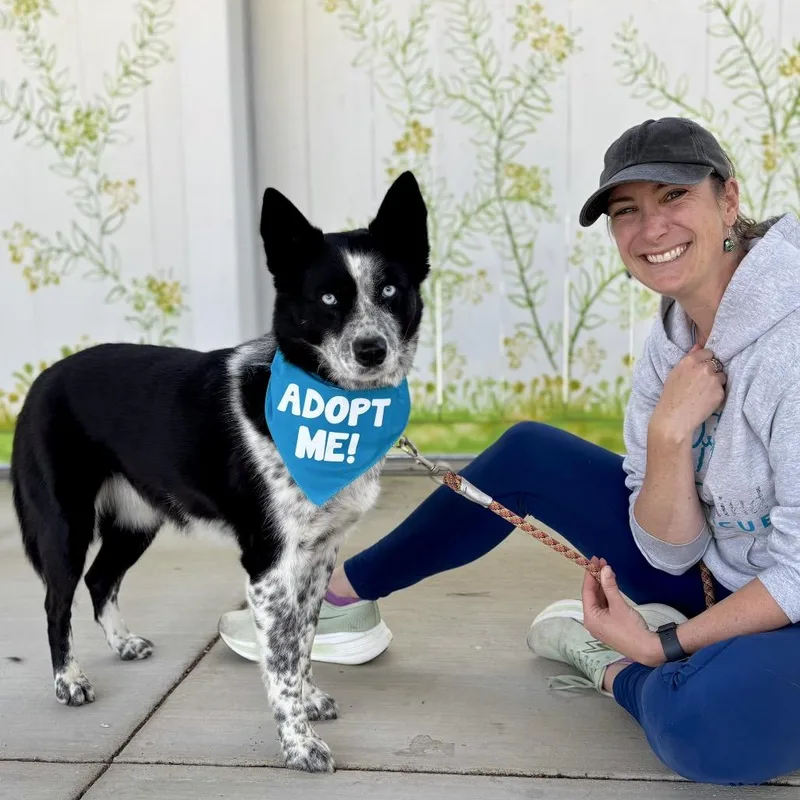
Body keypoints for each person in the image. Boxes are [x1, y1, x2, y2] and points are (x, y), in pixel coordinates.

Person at [219, 117, 800, 786]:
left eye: (674, 197)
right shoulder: (676, 331)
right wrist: (670, 437)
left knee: (704, 732)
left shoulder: (788, 342)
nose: (651, 229)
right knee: (528, 453)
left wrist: (661, 644)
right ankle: (335, 601)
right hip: (717, 574)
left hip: (784, 598)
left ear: (728, 199)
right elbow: (670, 550)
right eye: (627, 211)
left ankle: (612, 667)